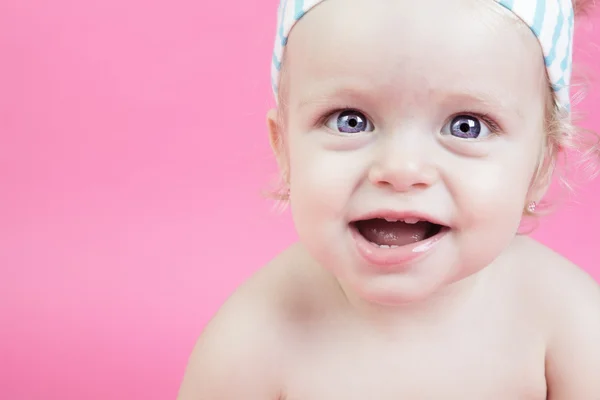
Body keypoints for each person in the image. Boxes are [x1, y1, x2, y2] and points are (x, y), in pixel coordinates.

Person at [178, 0, 600, 398]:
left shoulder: (569, 323)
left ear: (541, 166)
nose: (401, 169)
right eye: (350, 121)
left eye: (466, 126)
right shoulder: (250, 345)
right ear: (285, 151)